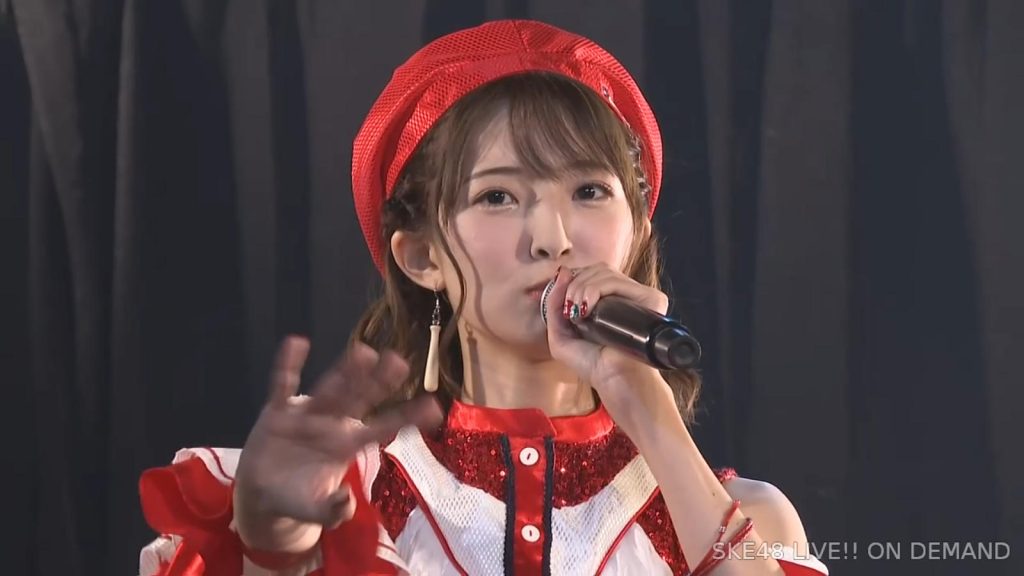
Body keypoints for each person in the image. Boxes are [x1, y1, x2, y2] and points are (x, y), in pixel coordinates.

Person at [138, 20, 828, 576]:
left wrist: (649, 410)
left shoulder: (744, 517)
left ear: (639, 230)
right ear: (422, 257)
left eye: (590, 190)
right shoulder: (352, 492)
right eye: (498, 196)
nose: (554, 239)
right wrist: (269, 542)